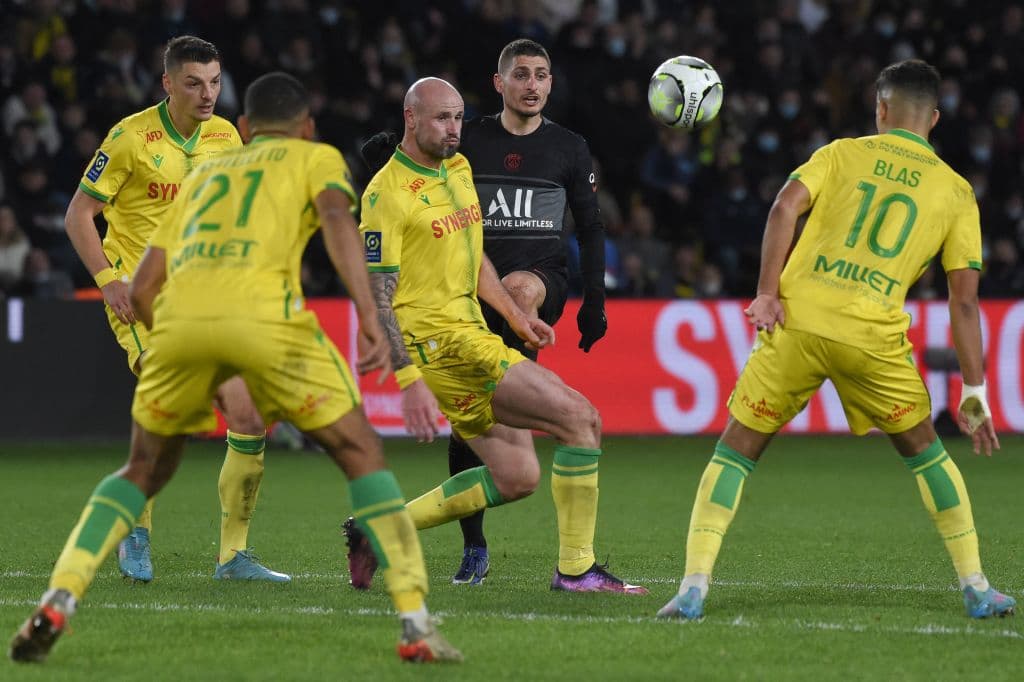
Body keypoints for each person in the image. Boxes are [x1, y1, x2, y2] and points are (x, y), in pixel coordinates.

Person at [10, 72, 461, 665]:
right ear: (306, 127)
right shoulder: (316, 157)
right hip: (267, 321)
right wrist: (371, 320)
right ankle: (415, 624)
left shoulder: (202, 176)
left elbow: (144, 287)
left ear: (244, 128)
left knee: (139, 469)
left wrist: (181, 340)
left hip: (178, 323)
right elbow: (336, 224)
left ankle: (58, 598)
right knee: (362, 455)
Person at [657, 59, 1016, 622]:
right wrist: (975, 388)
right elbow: (964, 301)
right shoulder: (956, 191)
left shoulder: (842, 152)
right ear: (936, 118)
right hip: (871, 338)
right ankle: (976, 586)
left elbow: (783, 207)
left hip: (796, 321)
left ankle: (693, 585)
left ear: (880, 108)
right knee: (927, 453)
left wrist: (766, 292)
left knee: (735, 451)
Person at [345, 76, 643, 596]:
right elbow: (377, 295)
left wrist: (515, 315)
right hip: (443, 346)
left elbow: (472, 255)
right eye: (441, 118)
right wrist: (409, 379)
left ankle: (377, 528)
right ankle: (576, 570)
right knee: (581, 419)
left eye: (459, 117)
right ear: (410, 118)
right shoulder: (386, 195)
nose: (454, 129)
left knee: (516, 476)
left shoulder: (457, 168)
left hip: (471, 330)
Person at [63, 36, 286, 583]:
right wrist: (109, 281)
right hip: (143, 299)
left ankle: (233, 558)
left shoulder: (225, 136)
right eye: (193, 82)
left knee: (249, 417)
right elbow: (78, 215)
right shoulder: (130, 138)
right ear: (168, 83)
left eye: (213, 81)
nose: (207, 93)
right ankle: (134, 532)